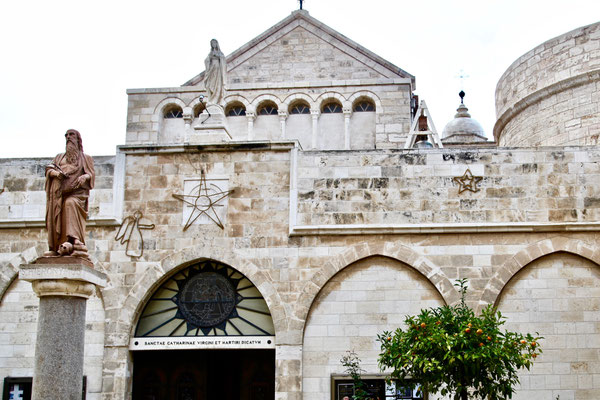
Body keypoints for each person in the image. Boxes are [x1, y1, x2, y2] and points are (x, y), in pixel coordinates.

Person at [45, 129, 95, 257]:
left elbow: (91, 174)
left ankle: (75, 239)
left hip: (77, 194)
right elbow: (49, 169)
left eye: (71, 135)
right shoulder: (59, 157)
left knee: (70, 203)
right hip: (58, 195)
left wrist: (85, 177)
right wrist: (57, 174)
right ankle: (57, 246)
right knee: (58, 212)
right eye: (66, 135)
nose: (68, 137)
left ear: (78, 139)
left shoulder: (85, 158)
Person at [203, 39, 227, 105]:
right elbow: (206, 61)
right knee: (209, 85)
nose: (213, 44)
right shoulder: (210, 53)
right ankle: (211, 99)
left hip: (218, 71)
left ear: (216, 44)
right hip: (211, 70)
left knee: (218, 85)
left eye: (214, 43)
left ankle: (216, 100)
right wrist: (210, 58)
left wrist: (218, 57)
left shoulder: (220, 53)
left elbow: (223, 61)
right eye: (212, 43)